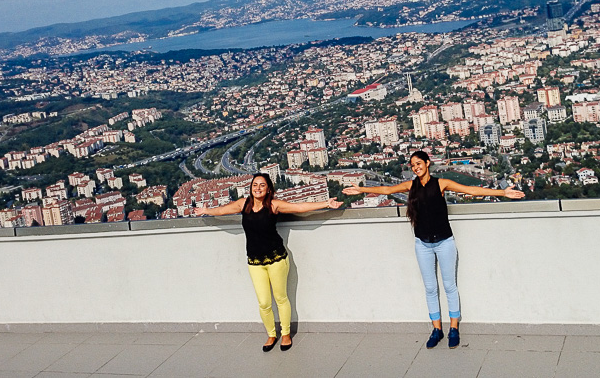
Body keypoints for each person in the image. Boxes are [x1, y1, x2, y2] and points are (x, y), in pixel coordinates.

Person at [343, 150, 524, 349]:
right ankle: (436, 329)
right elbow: (387, 190)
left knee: (449, 286)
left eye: (419, 163)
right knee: (430, 288)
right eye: (412, 165)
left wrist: (503, 192)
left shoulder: (441, 183)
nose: (416, 167)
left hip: (445, 242)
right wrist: (360, 190)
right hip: (423, 244)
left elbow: (470, 190)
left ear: (428, 163)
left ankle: (454, 328)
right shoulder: (410, 185)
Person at [194, 173, 340, 352]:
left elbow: (300, 207)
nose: (258, 188)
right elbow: (223, 210)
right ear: (250, 187)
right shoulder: (243, 204)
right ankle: (271, 334)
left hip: (276, 259)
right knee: (263, 302)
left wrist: (326, 203)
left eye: (262, 185)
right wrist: (206, 211)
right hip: (254, 262)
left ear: (268, 189)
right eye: (255, 185)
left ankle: (285, 334)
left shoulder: (273, 205)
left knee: (280, 298)